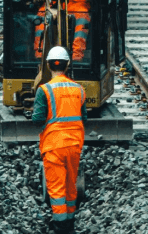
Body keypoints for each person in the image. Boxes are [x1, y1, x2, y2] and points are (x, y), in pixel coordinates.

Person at [31, 47, 86, 234]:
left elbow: (37, 119)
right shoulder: (79, 89)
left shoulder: (44, 90)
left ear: (48, 65)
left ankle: (60, 227)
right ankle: (70, 223)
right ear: (67, 64)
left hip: (54, 145)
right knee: (71, 186)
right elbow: (83, 118)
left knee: (56, 189)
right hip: (74, 144)